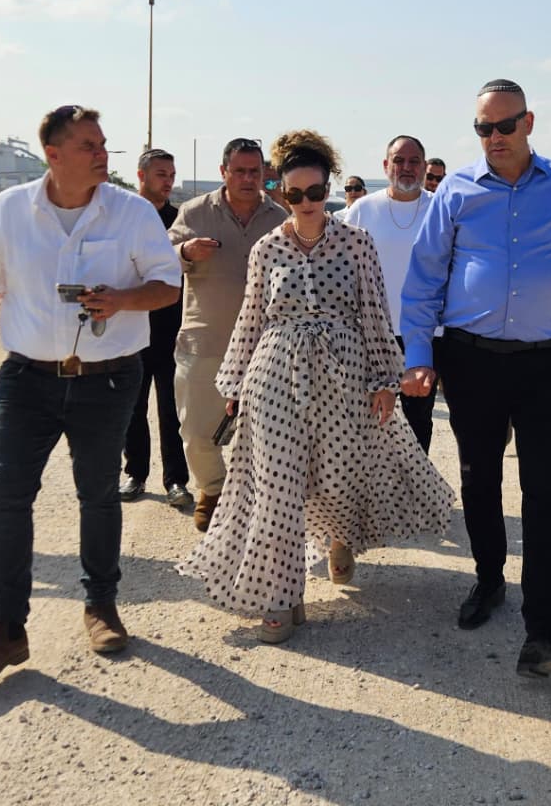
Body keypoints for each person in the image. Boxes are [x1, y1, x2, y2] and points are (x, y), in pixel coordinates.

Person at [179, 131, 454, 643]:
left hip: (343, 375)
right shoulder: (267, 248)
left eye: (315, 192)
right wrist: (235, 384)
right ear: (282, 194)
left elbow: (375, 313)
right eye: (294, 194)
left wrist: (384, 380)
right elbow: (252, 317)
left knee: (335, 476)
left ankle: (339, 538)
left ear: (327, 191)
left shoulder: (356, 242)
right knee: (277, 489)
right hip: (274, 375)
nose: (306, 202)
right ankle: (281, 596)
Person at [0, 106, 182, 679]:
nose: (102, 154)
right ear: (52, 154)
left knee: (97, 494)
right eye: (88, 146)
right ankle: (5, 629)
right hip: (26, 379)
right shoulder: (11, 209)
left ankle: (101, 605)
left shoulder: (130, 212)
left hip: (109, 378)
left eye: (103, 144)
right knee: (6, 495)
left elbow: (168, 285)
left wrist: (121, 300)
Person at [401, 78, 551, 679]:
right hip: (470, 359)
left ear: (528, 122)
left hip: (546, 361)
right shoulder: (456, 191)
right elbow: (424, 278)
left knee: (544, 490)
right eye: (483, 128)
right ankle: (489, 578)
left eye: (504, 125)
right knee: (479, 478)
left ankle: (541, 632)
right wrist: (418, 354)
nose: (493, 137)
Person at [170, 139, 288, 531]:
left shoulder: (278, 218)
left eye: (255, 172)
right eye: (239, 171)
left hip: (264, 348)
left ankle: (253, 502)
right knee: (196, 429)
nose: (248, 179)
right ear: (224, 172)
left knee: (264, 434)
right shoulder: (195, 212)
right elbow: (159, 260)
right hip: (206, 339)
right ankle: (212, 490)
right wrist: (186, 252)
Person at [341, 134, 439, 453]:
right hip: (372, 334)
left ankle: (416, 484)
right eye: (398, 160)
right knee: (369, 418)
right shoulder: (362, 210)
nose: (406, 167)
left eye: (414, 161)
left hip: (425, 334)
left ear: (424, 167)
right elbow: (343, 269)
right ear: (386, 165)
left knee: (417, 420)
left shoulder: (441, 208)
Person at [119, 148, 191, 508]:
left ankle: (176, 480)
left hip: (171, 328)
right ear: (141, 175)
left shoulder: (180, 221)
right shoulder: (122, 217)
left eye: (171, 175)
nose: (168, 181)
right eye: (161, 174)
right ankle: (135, 473)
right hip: (130, 327)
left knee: (171, 410)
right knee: (132, 408)